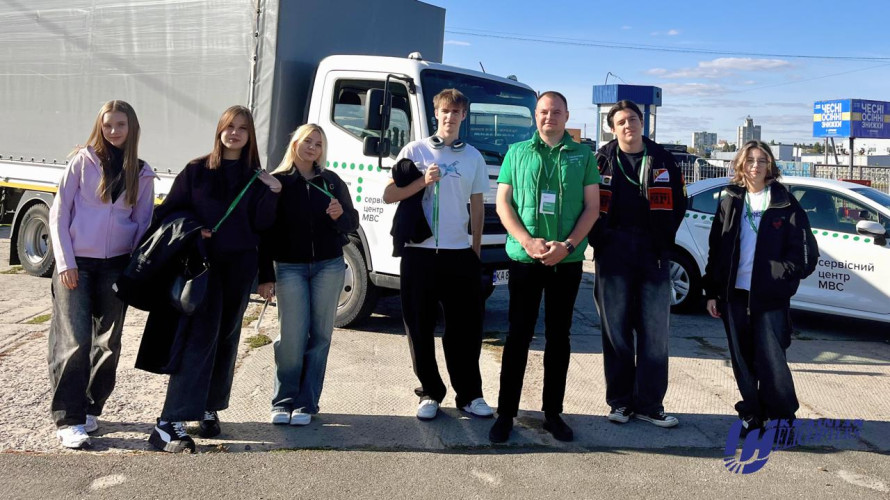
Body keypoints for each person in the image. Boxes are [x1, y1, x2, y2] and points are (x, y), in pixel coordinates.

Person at [147, 105, 281, 453]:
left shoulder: (257, 178)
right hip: (202, 269)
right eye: (229, 126)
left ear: (250, 136)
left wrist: (273, 192)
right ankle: (168, 422)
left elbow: (265, 230)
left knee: (226, 340)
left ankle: (209, 407)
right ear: (219, 130)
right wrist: (194, 230)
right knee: (197, 341)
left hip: (240, 269)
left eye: (242, 128)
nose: (234, 132)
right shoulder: (196, 171)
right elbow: (167, 214)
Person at [489, 91, 600, 443]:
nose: (548, 117)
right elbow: (503, 203)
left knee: (558, 339)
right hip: (526, 259)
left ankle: (553, 413)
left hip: (564, 262)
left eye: (555, 112)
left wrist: (566, 245)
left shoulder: (583, 156)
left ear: (567, 116)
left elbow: (592, 208)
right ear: (534, 116)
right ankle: (505, 413)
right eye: (542, 111)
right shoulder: (516, 153)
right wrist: (526, 240)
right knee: (518, 336)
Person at [47, 100, 156, 449]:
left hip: (116, 266)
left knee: (108, 343)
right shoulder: (82, 162)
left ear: (131, 128)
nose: (113, 131)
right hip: (77, 264)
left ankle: (93, 406)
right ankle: (69, 419)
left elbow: (142, 225)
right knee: (75, 342)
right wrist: (65, 262)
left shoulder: (140, 171)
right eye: (108, 125)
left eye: (120, 125)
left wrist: (133, 268)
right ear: (100, 126)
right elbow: (60, 213)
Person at [382, 88, 494, 421]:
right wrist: (421, 182)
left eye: (456, 112)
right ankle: (430, 392)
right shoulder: (414, 150)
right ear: (436, 114)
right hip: (419, 254)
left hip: (459, 254)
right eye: (444, 111)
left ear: (464, 116)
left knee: (464, 329)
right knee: (419, 327)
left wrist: (474, 248)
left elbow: (476, 203)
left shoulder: (473, 156)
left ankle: (470, 395)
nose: (449, 117)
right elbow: (389, 194)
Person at [704, 140, 815, 436]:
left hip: (770, 296)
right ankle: (752, 415)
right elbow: (717, 246)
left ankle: (781, 419)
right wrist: (712, 291)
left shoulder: (784, 202)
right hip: (734, 294)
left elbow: (806, 253)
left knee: (772, 361)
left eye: (762, 160)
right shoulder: (730, 199)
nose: (755, 165)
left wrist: (780, 276)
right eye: (750, 160)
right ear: (741, 164)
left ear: (770, 166)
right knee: (742, 360)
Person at [590, 100, 687, 428]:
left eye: (632, 119)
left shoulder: (662, 159)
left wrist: (663, 239)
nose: (627, 125)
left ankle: (649, 404)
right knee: (615, 331)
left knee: (655, 333)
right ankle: (620, 402)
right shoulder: (601, 160)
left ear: (642, 123)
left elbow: (680, 202)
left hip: (653, 254)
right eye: (621, 122)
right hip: (613, 252)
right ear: (612, 127)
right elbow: (587, 202)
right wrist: (599, 238)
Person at [257, 124, 358, 426]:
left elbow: (351, 223)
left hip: (328, 266)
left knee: (321, 336)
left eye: (318, 143)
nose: (312, 147)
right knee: (291, 337)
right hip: (289, 267)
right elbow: (265, 231)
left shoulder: (331, 181)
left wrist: (341, 217)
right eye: (307, 141)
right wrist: (265, 275)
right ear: (295, 143)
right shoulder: (277, 182)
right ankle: (283, 400)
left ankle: (306, 404)